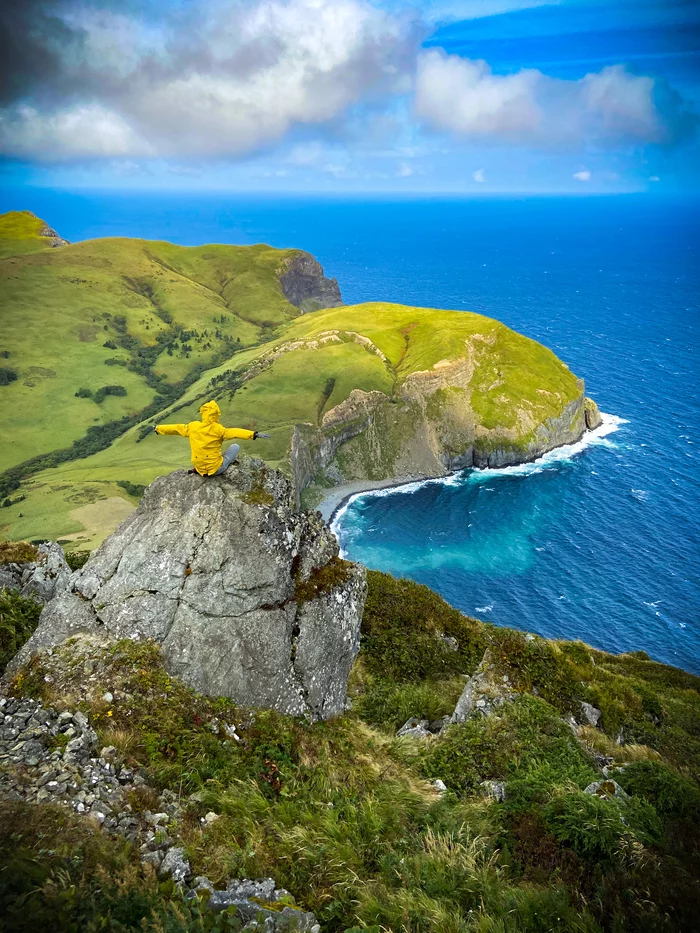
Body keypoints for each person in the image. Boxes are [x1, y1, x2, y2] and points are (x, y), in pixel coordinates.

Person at [154, 399, 269, 476]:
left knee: (200, 450)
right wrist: (253, 434)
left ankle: (197, 470)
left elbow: (175, 428)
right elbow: (235, 432)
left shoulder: (193, 427)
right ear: (216, 415)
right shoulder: (218, 429)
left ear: (203, 414)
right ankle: (214, 465)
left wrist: (158, 428)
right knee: (235, 447)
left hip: (199, 467)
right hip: (215, 469)